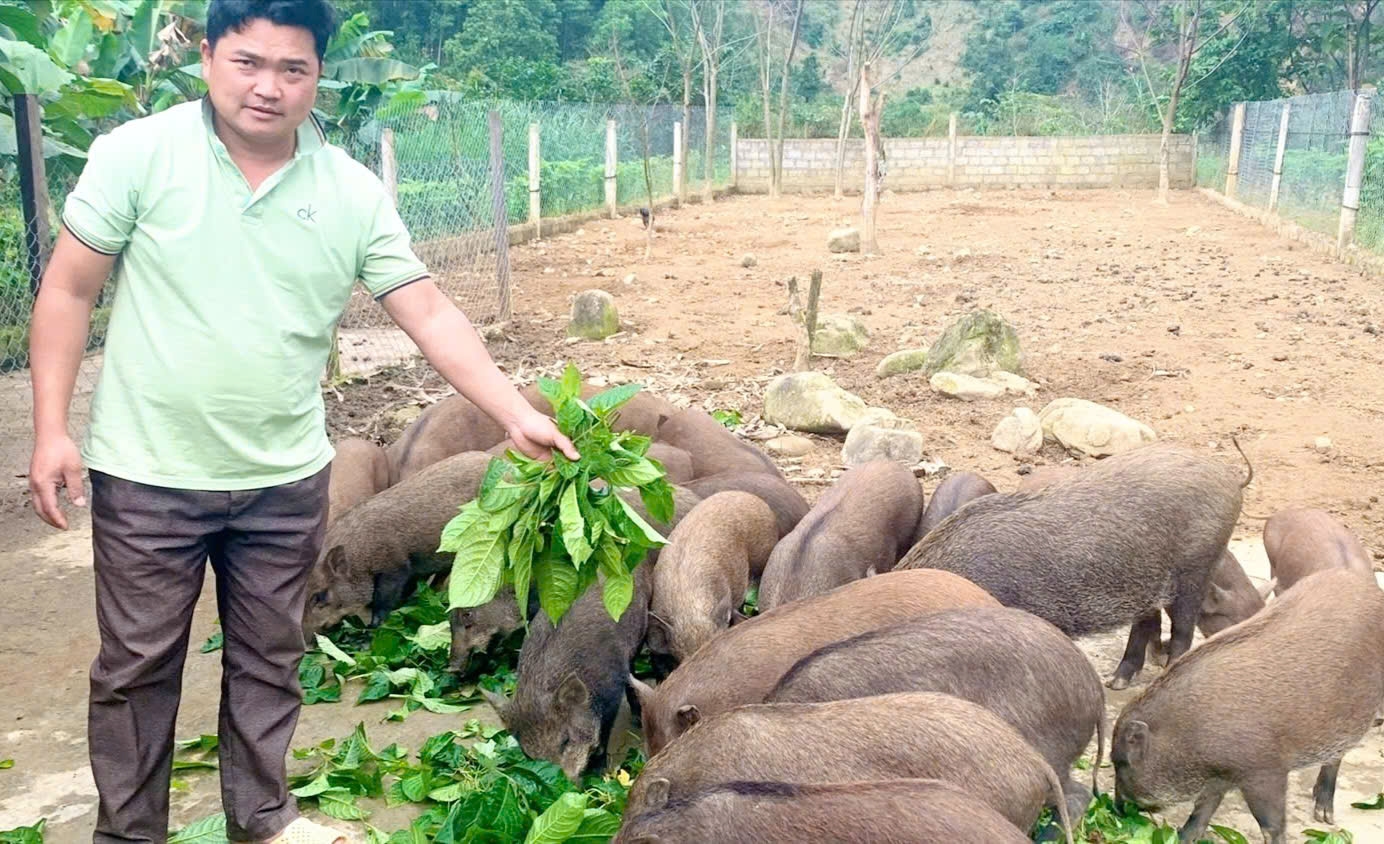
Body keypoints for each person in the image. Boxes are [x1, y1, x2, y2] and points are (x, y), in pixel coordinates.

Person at [26, 1, 577, 841]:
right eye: (247, 62)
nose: (268, 87)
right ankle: (129, 832)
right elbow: (68, 289)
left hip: (284, 480)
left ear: (319, 74)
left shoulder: (350, 191)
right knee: (136, 670)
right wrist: (52, 430)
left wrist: (512, 414)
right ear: (207, 57)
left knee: (270, 660)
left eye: (293, 69)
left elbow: (425, 309)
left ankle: (264, 818)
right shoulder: (139, 155)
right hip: (148, 472)